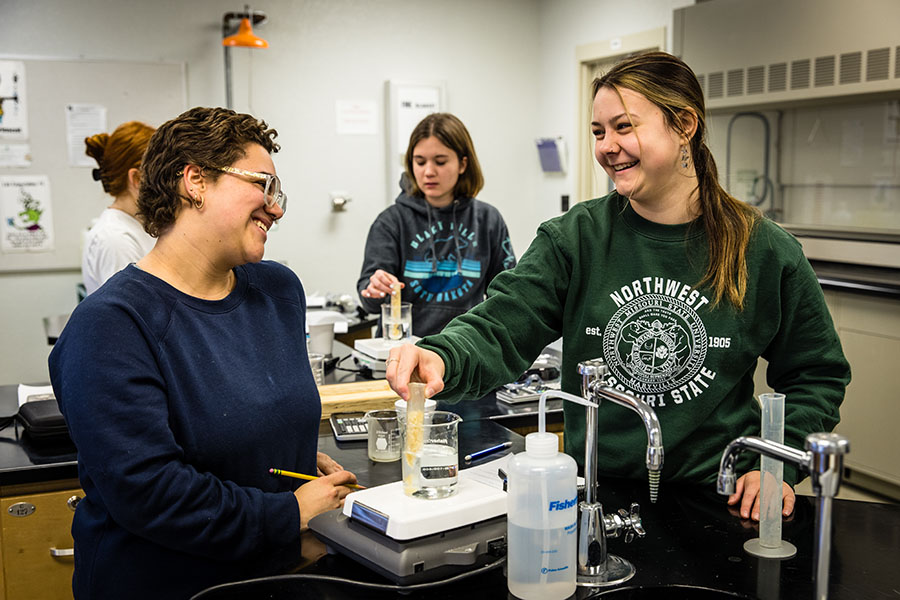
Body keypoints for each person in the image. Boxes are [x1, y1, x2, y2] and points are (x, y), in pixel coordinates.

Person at [386, 52, 850, 522]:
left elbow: (817, 374)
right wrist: (441, 354)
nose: (607, 145)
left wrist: (776, 461)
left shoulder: (764, 250)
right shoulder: (574, 238)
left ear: (685, 124)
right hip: (595, 496)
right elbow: (502, 324)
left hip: (721, 502)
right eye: (598, 131)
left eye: (624, 127)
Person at [49, 107, 358, 600]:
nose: (275, 209)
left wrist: (286, 454)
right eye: (262, 185)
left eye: (277, 193)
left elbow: (248, 416)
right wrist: (290, 512)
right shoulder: (110, 326)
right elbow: (149, 492)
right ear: (195, 181)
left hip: (281, 573)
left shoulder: (277, 289)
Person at [357, 113, 516, 337]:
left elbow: (507, 296)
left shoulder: (488, 220)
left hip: (466, 350)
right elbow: (370, 303)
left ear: (462, 164)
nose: (428, 171)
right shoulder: (391, 222)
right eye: (420, 162)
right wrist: (374, 289)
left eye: (440, 162)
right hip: (404, 352)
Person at [82, 121, 157, 295]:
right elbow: (136, 309)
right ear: (137, 179)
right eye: (160, 174)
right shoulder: (115, 239)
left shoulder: (138, 226)